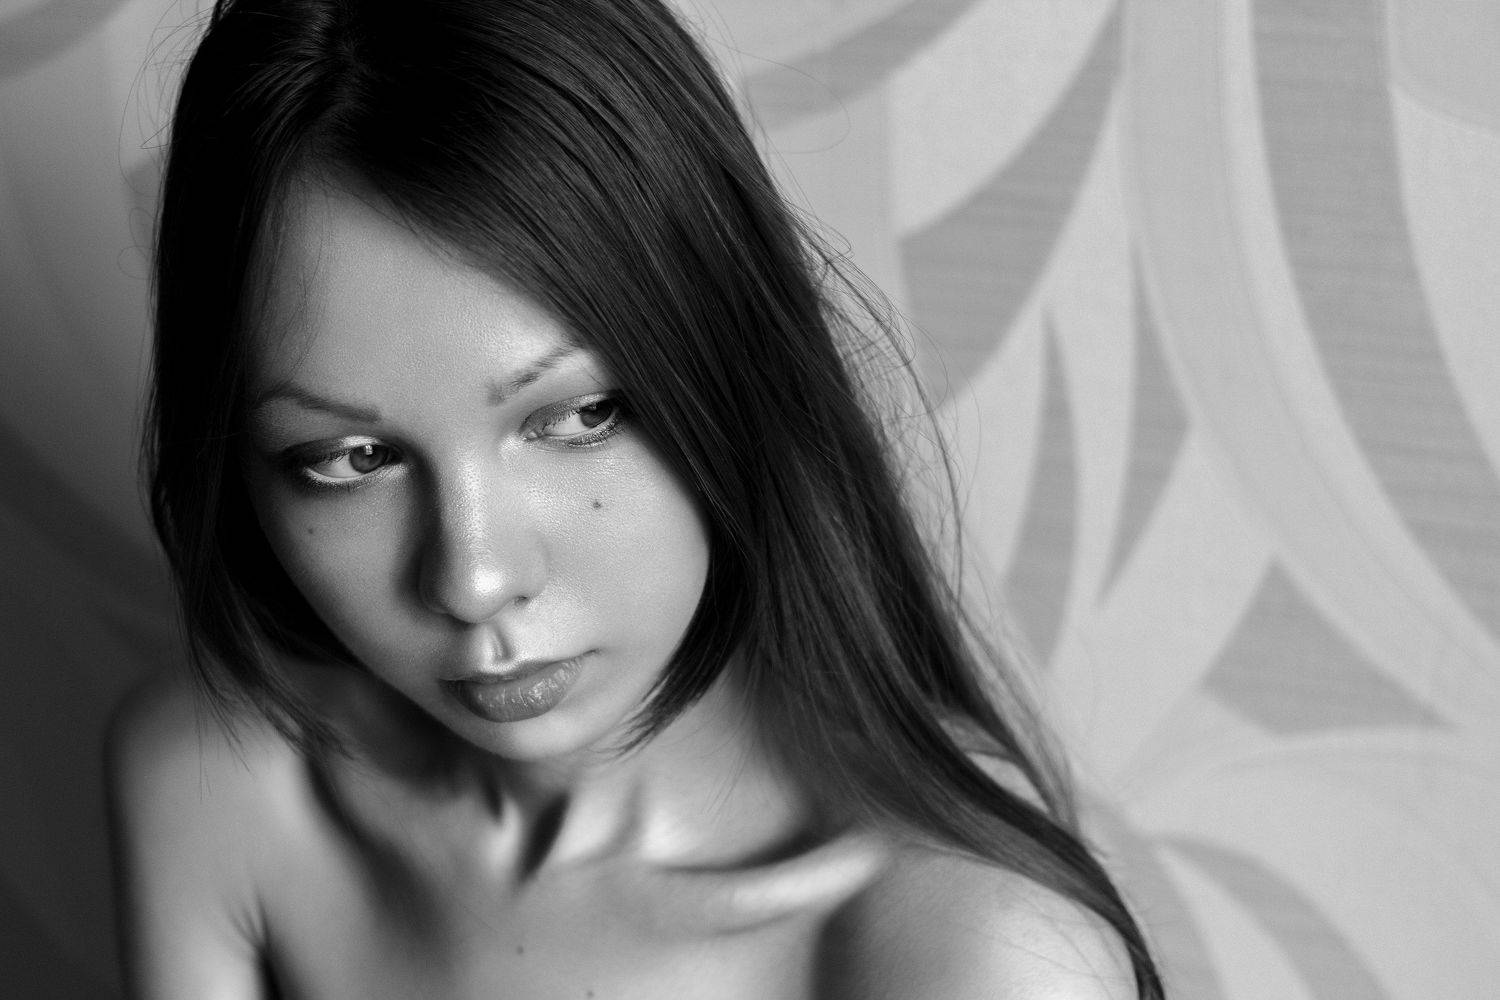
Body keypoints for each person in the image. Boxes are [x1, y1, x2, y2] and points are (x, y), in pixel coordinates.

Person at [107, 0, 1165, 996]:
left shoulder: (976, 951)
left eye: (580, 417)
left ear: (734, 364)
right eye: (351, 458)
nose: (474, 579)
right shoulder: (224, 788)